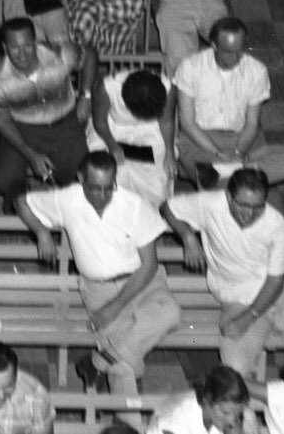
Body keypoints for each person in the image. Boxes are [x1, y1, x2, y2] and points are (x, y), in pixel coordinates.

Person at [17, 151, 181, 394]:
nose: (103, 196)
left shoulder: (134, 205)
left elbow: (149, 265)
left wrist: (114, 308)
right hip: (99, 289)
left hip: (143, 281)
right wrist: (41, 232)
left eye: (109, 187)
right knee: (124, 367)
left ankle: (98, 361)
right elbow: (21, 202)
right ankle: (128, 426)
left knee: (170, 314)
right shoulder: (67, 199)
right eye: (95, 188)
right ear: (81, 178)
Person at [163, 170, 284, 386]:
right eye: (242, 205)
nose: (249, 213)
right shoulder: (211, 204)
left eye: (257, 207)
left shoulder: (276, 225)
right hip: (237, 298)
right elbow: (168, 207)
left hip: (283, 292)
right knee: (233, 373)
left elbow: (275, 283)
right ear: (228, 197)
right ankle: (265, 408)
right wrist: (188, 236)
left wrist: (245, 320)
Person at [173, 17, 284, 188]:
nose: (236, 57)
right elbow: (188, 124)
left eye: (240, 50)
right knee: (204, 166)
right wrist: (218, 153)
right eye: (229, 51)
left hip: (240, 141)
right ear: (214, 46)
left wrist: (238, 152)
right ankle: (238, 177)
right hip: (198, 142)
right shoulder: (190, 67)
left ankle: (223, 177)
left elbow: (252, 124)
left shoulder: (257, 71)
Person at [0, 17, 93, 202]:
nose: (23, 54)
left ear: (35, 42)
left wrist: (85, 95)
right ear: (4, 47)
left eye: (27, 45)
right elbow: (2, 120)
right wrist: (30, 154)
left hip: (66, 124)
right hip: (23, 129)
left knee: (83, 177)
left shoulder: (60, 54)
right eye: (14, 48)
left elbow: (90, 54)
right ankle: (20, 206)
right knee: (4, 180)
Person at [146, 366, 259, 434]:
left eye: (237, 414)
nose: (231, 420)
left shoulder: (242, 417)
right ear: (207, 400)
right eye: (225, 412)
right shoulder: (175, 418)